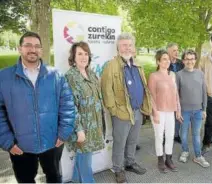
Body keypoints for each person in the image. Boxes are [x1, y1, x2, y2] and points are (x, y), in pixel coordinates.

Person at [0, 31, 75, 183]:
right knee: (25, 180)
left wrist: (63, 133)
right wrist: (7, 142)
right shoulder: (4, 77)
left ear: (41, 50)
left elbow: (67, 105)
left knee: (54, 177)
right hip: (20, 146)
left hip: (53, 142)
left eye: (36, 46)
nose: (32, 49)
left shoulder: (55, 75)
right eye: (28, 45)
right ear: (19, 48)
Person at [101, 33, 152, 183]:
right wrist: (114, 110)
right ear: (118, 47)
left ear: (133, 47)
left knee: (132, 140)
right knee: (120, 142)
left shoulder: (137, 65)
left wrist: (144, 106)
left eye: (130, 45)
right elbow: (106, 90)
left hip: (137, 111)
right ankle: (118, 169)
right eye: (124, 45)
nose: (127, 48)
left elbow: (143, 86)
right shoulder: (111, 65)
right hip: (122, 113)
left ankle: (130, 163)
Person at [65, 41, 105, 183]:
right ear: (73, 57)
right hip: (82, 128)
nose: (83, 57)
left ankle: (76, 180)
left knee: (82, 158)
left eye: (86, 54)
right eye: (80, 54)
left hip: (94, 126)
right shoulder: (71, 76)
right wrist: (79, 129)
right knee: (85, 162)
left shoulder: (92, 74)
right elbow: (70, 106)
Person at [148, 50, 181, 173]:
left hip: (170, 110)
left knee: (170, 136)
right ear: (158, 61)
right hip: (159, 111)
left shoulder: (172, 75)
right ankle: (160, 160)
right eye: (164, 59)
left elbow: (176, 93)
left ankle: (169, 158)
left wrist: (178, 109)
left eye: (168, 59)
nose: (167, 61)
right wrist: (155, 112)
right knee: (159, 136)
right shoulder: (153, 76)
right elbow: (150, 95)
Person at [176, 50, 210, 168]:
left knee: (196, 134)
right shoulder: (179, 75)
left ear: (195, 60)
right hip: (184, 111)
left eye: (192, 59)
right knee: (183, 134)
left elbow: (204, 93)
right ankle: (185, 151)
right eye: (187, 59)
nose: (190, 61)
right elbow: (176, 94)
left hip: (198, 111)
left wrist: (204, 109)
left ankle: (198, 156)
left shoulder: (200, 74)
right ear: (183, 60)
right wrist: (178, 110)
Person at [167, 43, 184, 144]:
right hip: (168, 94)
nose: (177, 52)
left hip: (180, 93)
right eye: (174, 50)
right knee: (168, 115)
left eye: (177, 50)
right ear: (168, 51)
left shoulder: (181, 63)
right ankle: (166, 136)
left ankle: (176, 135)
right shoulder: (164, 62)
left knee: (178, 114)